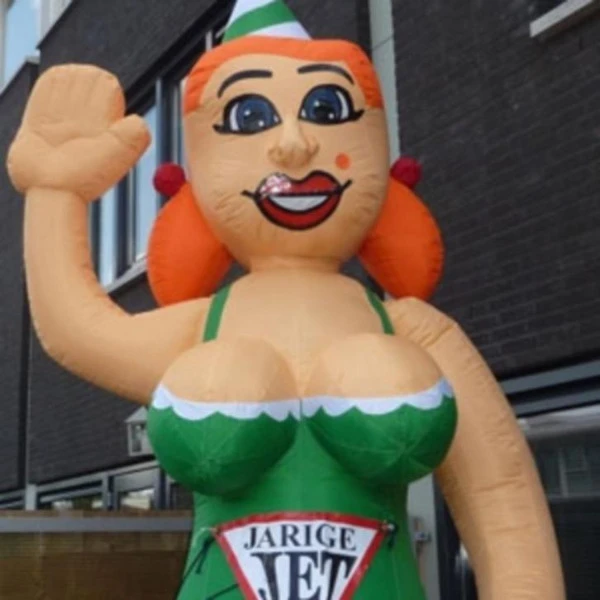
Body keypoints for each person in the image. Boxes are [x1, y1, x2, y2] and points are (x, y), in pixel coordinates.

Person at [7, 0, 564, 598]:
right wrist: (54, 191)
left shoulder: (412, 328)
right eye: (249, 115)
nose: (295, 145)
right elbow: (75, 328)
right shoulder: (204, 325)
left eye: (327, 109)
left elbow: (502, 501)